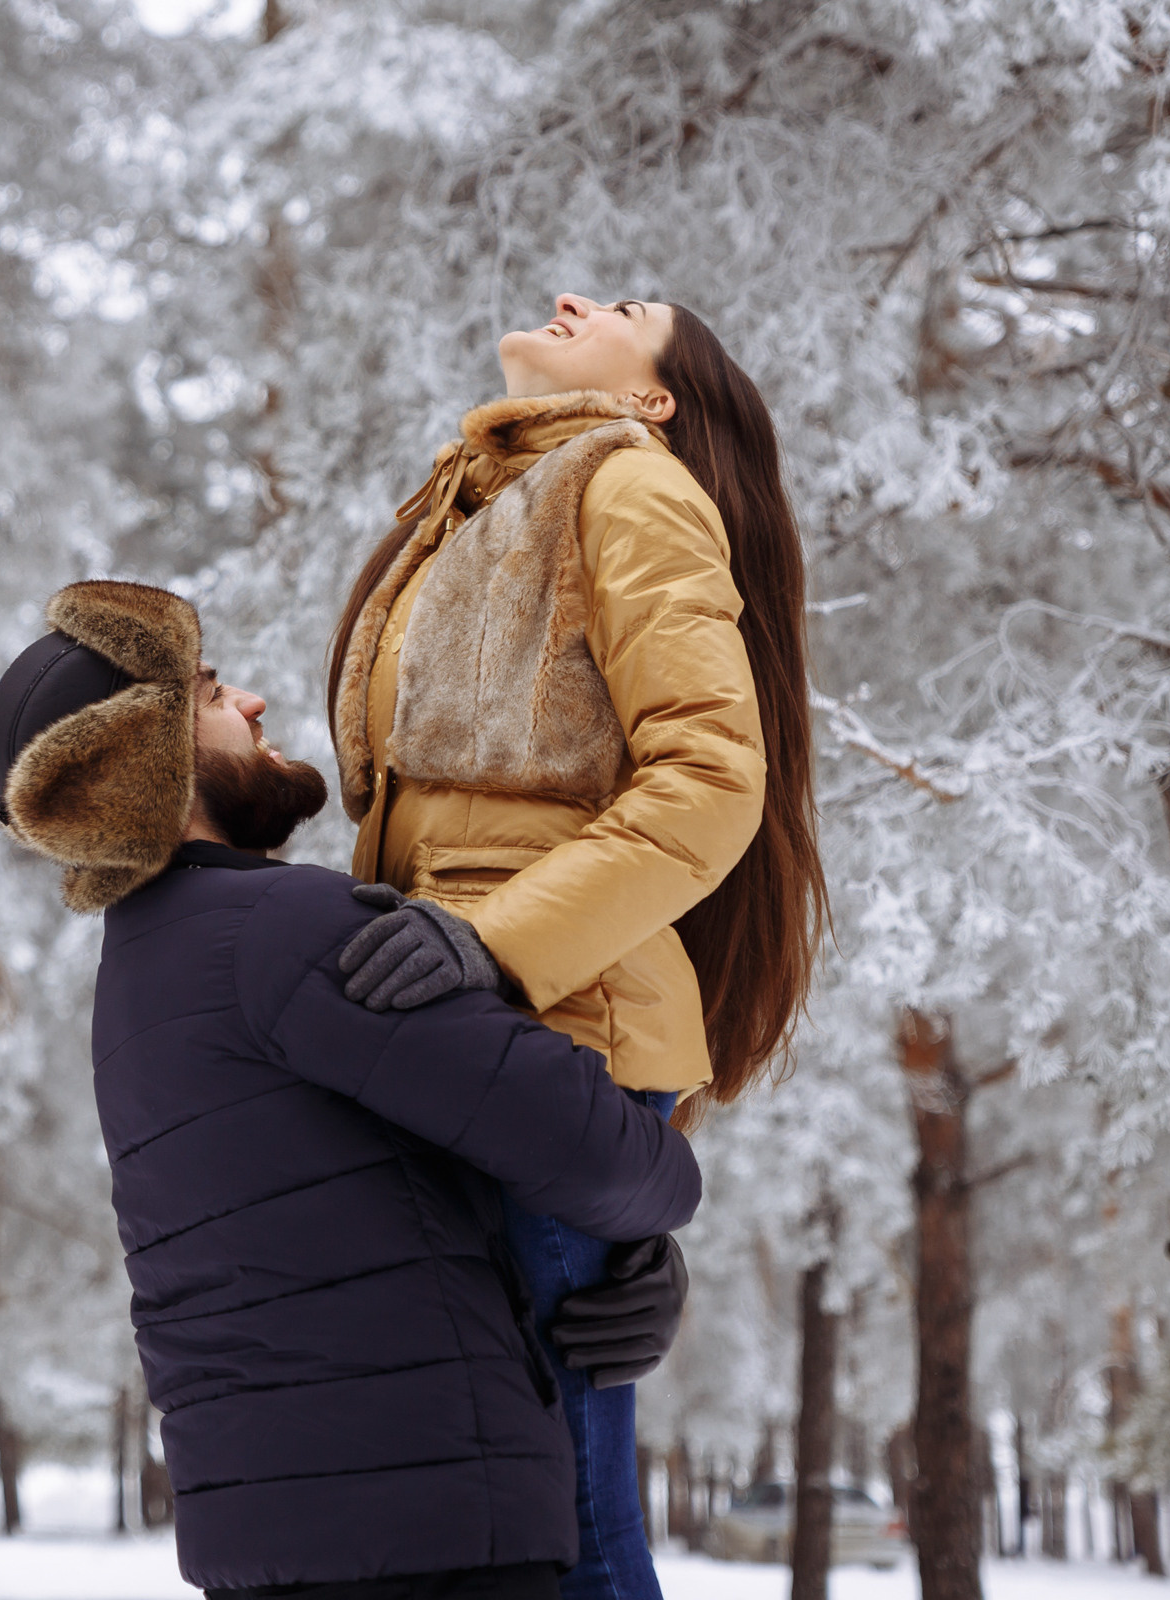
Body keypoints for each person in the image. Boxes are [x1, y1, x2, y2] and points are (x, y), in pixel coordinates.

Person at [0, 578, 701, 1600]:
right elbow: (617, 1160)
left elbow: (360, 1216)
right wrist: (640, 1223)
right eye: (216, 694)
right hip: (441, 1547)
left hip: (276, 1550)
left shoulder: (140, 979)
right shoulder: (282, 930)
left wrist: (601, 1266)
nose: (257, 703)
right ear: (148, 757)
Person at [326, 297, 825, 1599]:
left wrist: (490, 952)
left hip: (534, 1041)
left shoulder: (630, 488)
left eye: (625, 313)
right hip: (468, 1044)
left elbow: (712, 786)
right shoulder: (481, 507)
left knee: (572, 1530)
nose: (574, 303)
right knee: (493, 1512)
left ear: (658, 398)